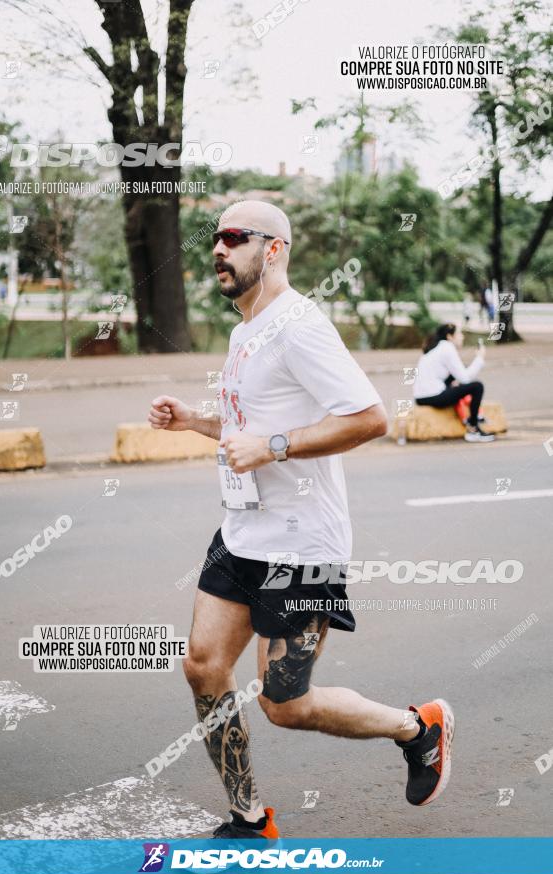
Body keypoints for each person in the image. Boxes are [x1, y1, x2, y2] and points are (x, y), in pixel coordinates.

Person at [148, 200, 455, 840]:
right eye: (216, 238)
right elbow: (246, 426)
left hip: (302, 549)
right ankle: (248, 816)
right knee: (204, 665)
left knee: (284, 705)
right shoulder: (244, 332)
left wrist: (274, 447)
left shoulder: (299, 325)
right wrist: (195, 421)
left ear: (275, 249)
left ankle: (417, 728)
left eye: (235, 238)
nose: (219, 250)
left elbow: (370, 417)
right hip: (242, 532)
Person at [413, 323, 495, 442]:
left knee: (457, 382)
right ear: (449, 336)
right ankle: (473, 428)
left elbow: (454, 376)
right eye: (459, 334)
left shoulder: (436, 348)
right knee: (477, 387)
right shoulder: (447, 347)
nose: (462, 337)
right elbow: (465, 378)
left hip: (421, 397)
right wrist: (479, 358)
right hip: (432, 396)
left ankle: (474, 417)